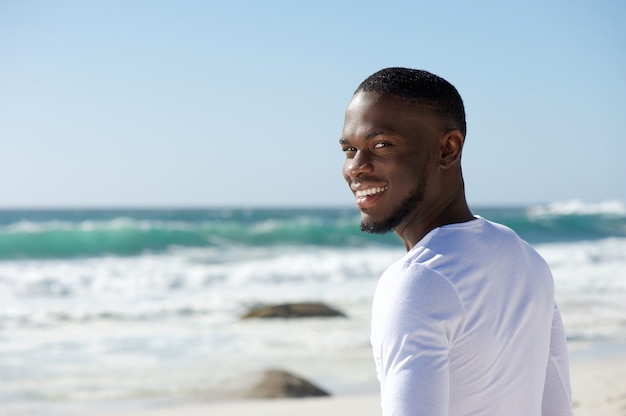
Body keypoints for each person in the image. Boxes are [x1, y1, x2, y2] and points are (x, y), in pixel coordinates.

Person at [339, 67, 572, 415]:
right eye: (349, 149)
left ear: (448, 149)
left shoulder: (417, 282)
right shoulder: (526, 259)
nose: (356, 167)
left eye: (381, 145)